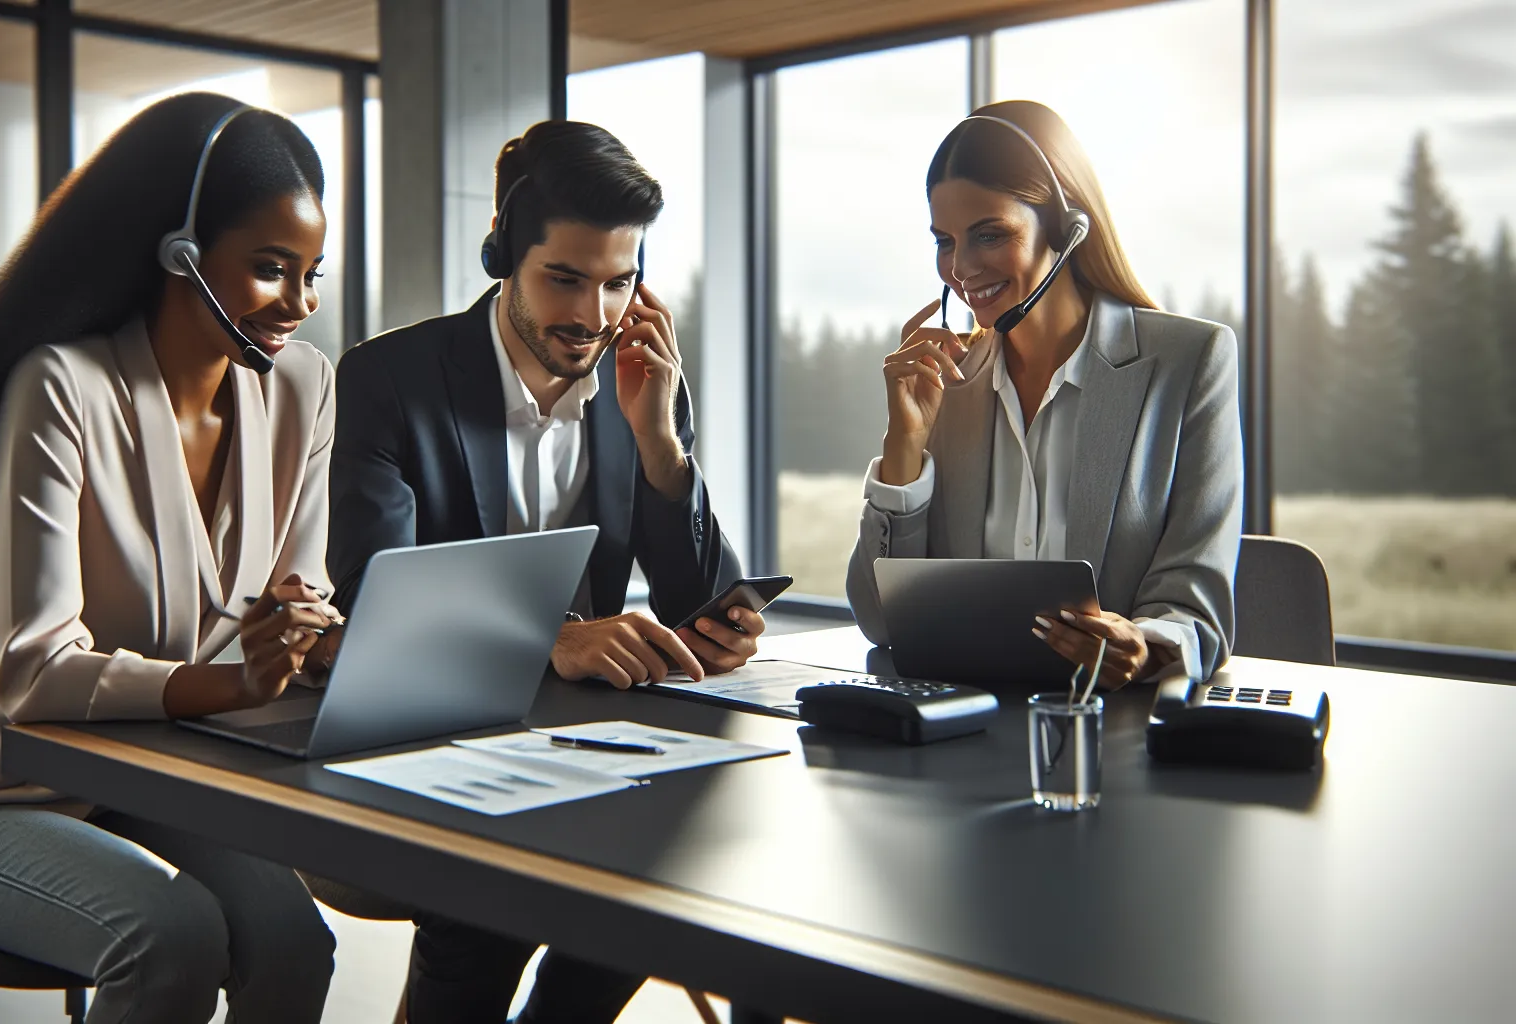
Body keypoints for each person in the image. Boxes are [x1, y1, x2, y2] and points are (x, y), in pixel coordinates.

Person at [0, 92, 341, 1024]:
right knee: (166, 937)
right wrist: (230, 684)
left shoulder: (303, 387)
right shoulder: (64, 388)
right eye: (268, 269)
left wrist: (309, 634)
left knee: (294, 941)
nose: (299, 304)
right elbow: (36, 672)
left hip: (162, 780)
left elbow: (302, 591)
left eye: (310, 273)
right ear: (181, 252)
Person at [324, 121, 754, 1023]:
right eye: (564, 278)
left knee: (688, 860)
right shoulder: (388, 380)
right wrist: (550, 638)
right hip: (435, 735)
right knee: (497, 902)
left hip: (591, 744)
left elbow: (698, 604)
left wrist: (661, 445)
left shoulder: (644, 387)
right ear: (504, 257)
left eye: (619, 282)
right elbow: (373, 593)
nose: (593, 316)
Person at [845, 99, 1242, 688]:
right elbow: (880, 620)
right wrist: (904, 444)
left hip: (1114, 735)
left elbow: (1197, 607)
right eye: (945, 241)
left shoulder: (1190, 363)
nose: (961, 268)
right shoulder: (944, 384)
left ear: (1065, 229)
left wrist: (1148, 643)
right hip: (965, 738)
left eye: (988, 234)